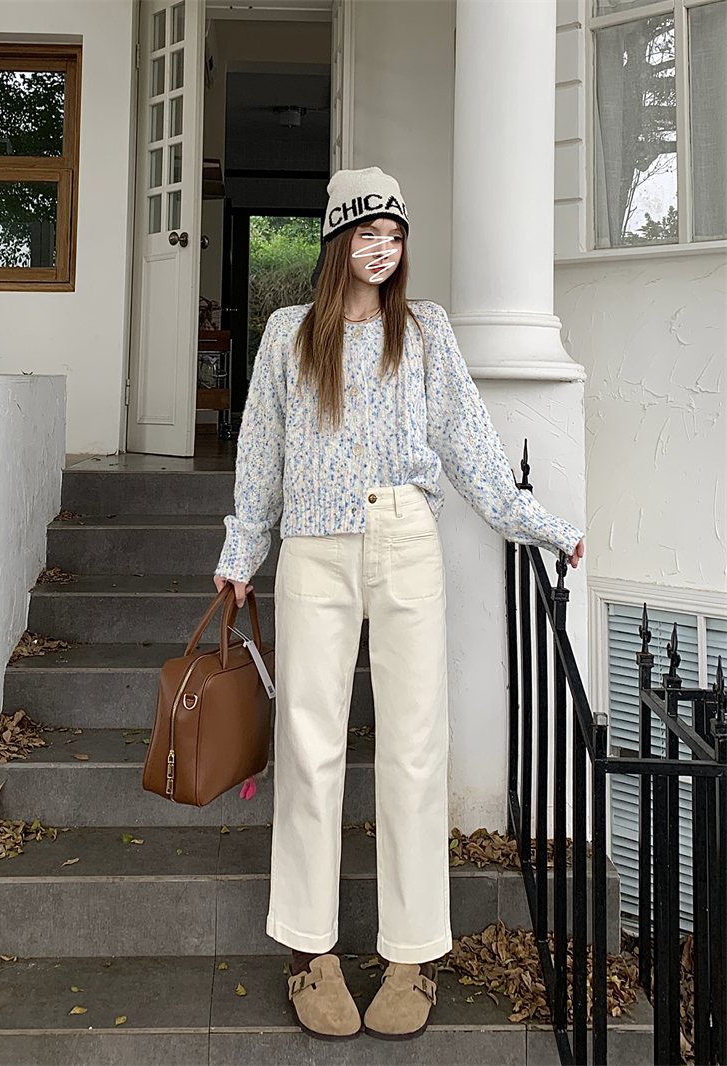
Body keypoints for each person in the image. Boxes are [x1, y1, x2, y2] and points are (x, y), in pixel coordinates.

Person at [213, 166, 584, 1042]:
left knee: (415, 747)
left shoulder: (425, 332)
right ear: (337, 241)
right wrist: (241, 553)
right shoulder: (287, 335)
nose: (383, 249)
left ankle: (413, 955)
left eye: (395, 235)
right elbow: (261, 454)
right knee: (309, 747)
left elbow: (471, 445)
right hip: (315, 547)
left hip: (406, 540)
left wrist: (538, 525)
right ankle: (309, 952)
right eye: (367, 233)